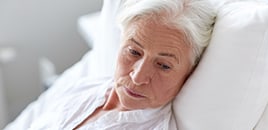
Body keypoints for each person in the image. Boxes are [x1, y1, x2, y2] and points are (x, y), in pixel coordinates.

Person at [4, 0, 216, 129]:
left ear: (190, 72)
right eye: (133, 52)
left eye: (163, 65)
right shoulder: (86, 86)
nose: (137, 77)